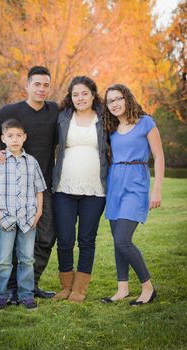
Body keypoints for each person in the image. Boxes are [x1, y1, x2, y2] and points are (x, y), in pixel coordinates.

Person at [0, 66, 58, 300]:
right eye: (37, 84)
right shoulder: (11, 111)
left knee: (46, 237)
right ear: (27, 86)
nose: (41, 89)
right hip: (13, 192)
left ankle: (29, 285)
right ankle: (10, 289)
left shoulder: (54, 111)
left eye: (46, 85)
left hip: (43, 187)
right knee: (10, 236)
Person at [101, 83, 165, 306]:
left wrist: (156, 189)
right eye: (110, 101)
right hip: (115, 185)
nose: (115, 104)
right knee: (117, 240)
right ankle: (122, 289)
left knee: (123, 239)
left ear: (127, 98)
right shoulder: (111, 129)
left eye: (118, 99)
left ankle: (148, 287)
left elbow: (158, 157)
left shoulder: (145, 123)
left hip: (136, 184)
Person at [52, 76, 108, 302]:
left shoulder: (105, 118)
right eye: (75, 94)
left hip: (95, 190)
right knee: (65, 239)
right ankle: (66, 286)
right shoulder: (63, 117)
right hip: (64, 188)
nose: (80, 98)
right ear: (70, 96)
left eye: (84, 93)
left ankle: (79, 289)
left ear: (93, 95)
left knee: (87, 239)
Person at [0, 119, 47, 309]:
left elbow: (39, 190)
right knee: (4, 260)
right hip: (5, 219)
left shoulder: (32, 162)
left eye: (19, 135)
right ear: (3, 138)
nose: (15, 139)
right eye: (10, 136)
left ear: (24, 137)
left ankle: (26, 295)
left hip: (28, 219)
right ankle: (1, 295)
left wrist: (39, 212)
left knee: (27, 259)